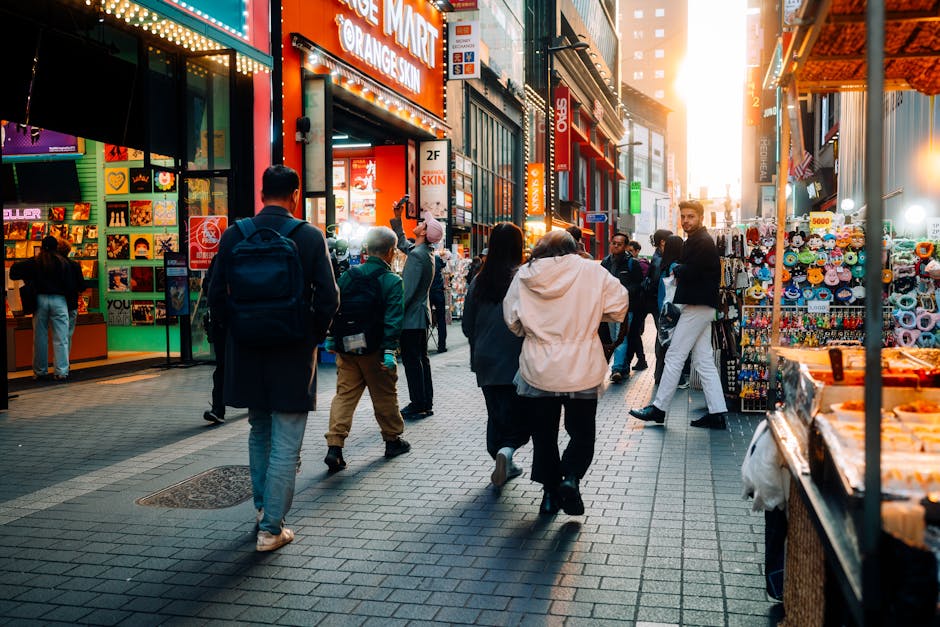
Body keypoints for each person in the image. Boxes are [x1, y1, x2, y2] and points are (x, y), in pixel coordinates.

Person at [208, 165, 339, 552]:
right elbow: (329, 299)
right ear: (295, 195)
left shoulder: (235, 235)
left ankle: (263, 509)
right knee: (286, 440)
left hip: (247, 350)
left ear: (262, 192)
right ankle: (271, 528)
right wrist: (308, 336)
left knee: (259, 429)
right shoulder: (309, 236)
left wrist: (235, 335)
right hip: (291, 352)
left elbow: (216, 296)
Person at [503, 230, 628, 516]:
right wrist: (595, 315)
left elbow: (512, 319)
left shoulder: (525, 274)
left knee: (544, 433)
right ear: (575, 249)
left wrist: (534, 333)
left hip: (539, 367)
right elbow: (620, 305)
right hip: (582, 364)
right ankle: (571, 477)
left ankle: (549, 493)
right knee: (582, 430)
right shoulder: (591, 271)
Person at [630, 200, 728, 430]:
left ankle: (659, 408)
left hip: (697, 305)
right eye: (683, 216)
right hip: (700, 305)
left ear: (700, 218)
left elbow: (693, 271)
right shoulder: (697, 240)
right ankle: (717, 412)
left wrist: (678, 268)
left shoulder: (701, 242)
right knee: (703, 360)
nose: (686, 220)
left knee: (674, 355)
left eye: (691, 216)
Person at [324, 226, 410, 471]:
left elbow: (335, 307)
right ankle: (392, 440)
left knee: (344, 396)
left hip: (347, 348)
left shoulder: (349, 276)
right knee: (384, 395)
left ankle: (335, 446)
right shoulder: (392, 281)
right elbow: (394, 319)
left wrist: (332, 338)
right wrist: (389, 351)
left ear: (367, 249)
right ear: (391, 252)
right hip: (375, 349)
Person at [462, 223, 528, 488]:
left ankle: (501, 457)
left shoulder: (480, 279)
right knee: (520, 414)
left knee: (495, 412)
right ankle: (507, 451)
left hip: (485, 358)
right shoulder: (523, 278)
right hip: (517, 357)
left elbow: (467, 324)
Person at [390, 203, 443, 418]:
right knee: (421, 360)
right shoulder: (425, 252)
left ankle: (417, 403)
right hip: (421, 316)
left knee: (413, 362)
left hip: (411, 319)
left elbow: (407, 292)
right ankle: (425, 402)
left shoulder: (418, 256)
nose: (420, 224)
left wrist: (393, 316)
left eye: (423, 224)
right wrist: (397, 218)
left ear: (424, 233)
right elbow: (403, 243)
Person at [11, 236, 75, 381]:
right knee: (61, 338)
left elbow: (14, 271)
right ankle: (61, 371)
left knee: (40, 337)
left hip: (39, 300)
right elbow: (70, 285)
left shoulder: (35, 261)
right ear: (56, 247)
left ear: (41, 247)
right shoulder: (63, 262)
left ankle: (40, 371)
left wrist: (29, 280)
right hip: (59, 300)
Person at [599, 232, 644, 383]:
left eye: (619, 244)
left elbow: (639, 284)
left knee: (622, 337)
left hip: (626, 307)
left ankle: (617, 368)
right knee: (614, 338)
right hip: (609, 307)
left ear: (625, 247)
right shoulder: (605, 262)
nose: (615, 246)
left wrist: (623, 292)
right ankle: (623, 367)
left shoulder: (632, 263)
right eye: (613, 243)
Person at [646, 229, 673, 382]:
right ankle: (660, 375)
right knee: (663, 338)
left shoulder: (660, 257)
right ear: (663, 242)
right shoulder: (659, 260)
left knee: (661, 338)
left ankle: (660, 375)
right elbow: (658, 284)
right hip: (659, 304)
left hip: (658, 303)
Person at [202, 255, 225, 425]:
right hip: (243, 320)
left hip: (223, 321)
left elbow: (208, 287)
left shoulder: (221, 256)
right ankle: (218, 408)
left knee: (222, 367)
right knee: (223, 367)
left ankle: (218, 409)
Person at [623, 240, 650, 371]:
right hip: (635, 305)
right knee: (633, 334)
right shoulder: (628, 264)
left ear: (637, 251)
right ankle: (640, 359)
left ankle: (629, 362)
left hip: (639, 305)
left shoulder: (640, 265)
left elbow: (639, 285)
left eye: (631, 251)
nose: (628, 253)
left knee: (633, 334)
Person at [56, 238, 85, 358]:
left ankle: (58, 363)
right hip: (71, 303)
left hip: (57, 302)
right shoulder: (74, 265)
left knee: (57, 334)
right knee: (68, 334)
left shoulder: (54, 265)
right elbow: (82, 286)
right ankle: (64, 362)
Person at [429, 251, 448, 353]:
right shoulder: (437, 258)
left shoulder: (424, 257)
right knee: (441, 320)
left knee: (426, 318)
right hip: (438, 292)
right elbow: (444, 264)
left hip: (428, 292)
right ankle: (442, 346)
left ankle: (422, 345)